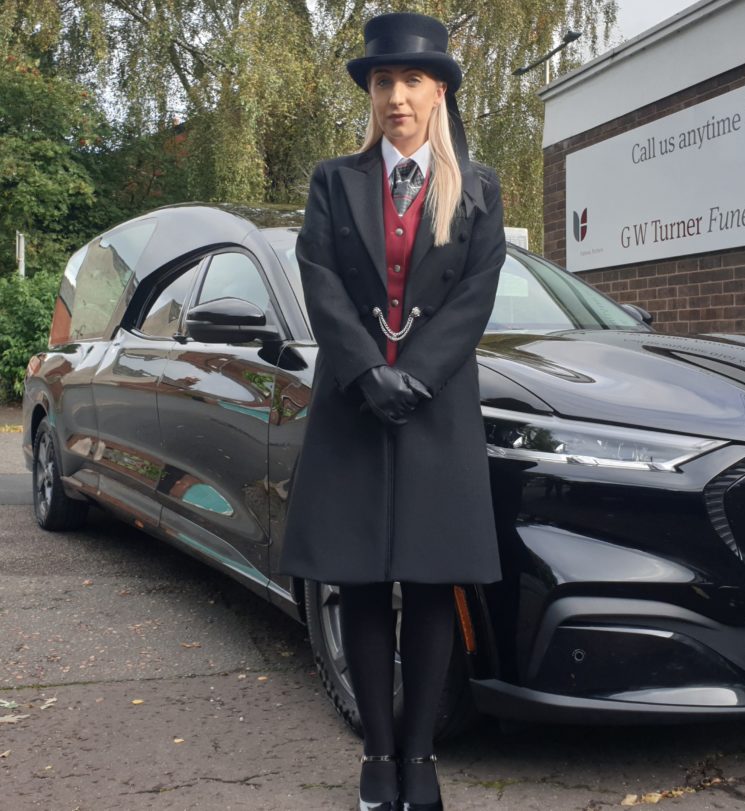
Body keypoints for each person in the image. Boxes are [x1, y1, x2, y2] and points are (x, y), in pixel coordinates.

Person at [275, 11, 505, 811]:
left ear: (439, 90)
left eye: (411, 80)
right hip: (354, 405)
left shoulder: (478, 190)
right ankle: (377, 756)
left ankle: (421, 757)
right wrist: (371, 371)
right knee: (363, 584)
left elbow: (475, 298)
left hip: (437, 413)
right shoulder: (333, 183)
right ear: (369, 93)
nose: (396, 96)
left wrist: (419, 378)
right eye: (383, 82)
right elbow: (321, 281)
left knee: (432, 583)